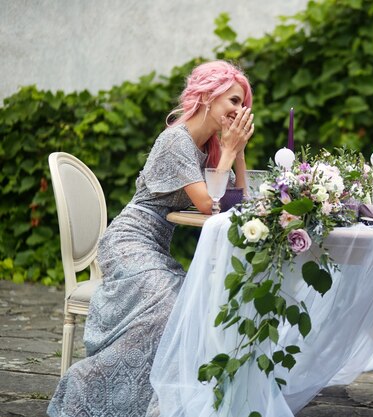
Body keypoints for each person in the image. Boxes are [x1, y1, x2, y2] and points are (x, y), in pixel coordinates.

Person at [47, 60, 255, 416]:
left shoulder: (208, 150)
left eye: (242, 104)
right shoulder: (176, 140)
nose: (239, 110)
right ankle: (87, 384)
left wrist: (238, 153)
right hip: (128, 243)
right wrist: (231, 151)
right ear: (207, 96)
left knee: (197, 306)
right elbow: (211, 204)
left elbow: (239, 202)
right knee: (173, 310)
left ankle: (164, 402)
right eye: (232, 100)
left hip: (155, 247)